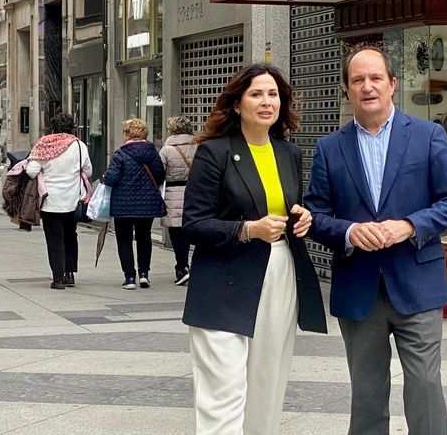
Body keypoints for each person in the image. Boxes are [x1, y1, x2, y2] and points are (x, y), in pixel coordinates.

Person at [305, 45, 447, 435]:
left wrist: (410, 226)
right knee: (366, 393)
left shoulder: (427, 136)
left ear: (393, 84)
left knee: (426, 388)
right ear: (347, 89)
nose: (367, 86)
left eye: (376, 78)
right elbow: (315, 216)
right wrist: (348, 231)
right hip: (359, 288)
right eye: (358, 80)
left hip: (418, 283)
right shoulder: (330, 148)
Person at [182, 63, 327, 434]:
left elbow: (286, 207)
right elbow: (194, 224)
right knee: (223, 391)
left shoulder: (288, 153)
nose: (267, 102)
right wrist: (249, 229)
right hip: (222, 283)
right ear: (237, 104)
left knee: (267, 383)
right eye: (256, 94)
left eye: (273, 94)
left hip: (280, 272)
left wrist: (301, 218)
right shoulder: (213, 152)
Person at [25, 113, 92, 289]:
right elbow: (88, 170)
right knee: (70, 235)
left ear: (52, 127)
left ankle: (58, 278)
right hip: (73, 200)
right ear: (72, 127)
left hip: (50, 201)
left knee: (54, 239)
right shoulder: (79, 145)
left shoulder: (44, 144)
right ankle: (70, 273)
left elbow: (31, 171)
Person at [103, 118, 166, 290]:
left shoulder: (120, 154)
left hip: (123, 204)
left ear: (128, 134)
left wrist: (105, 178)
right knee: (144, 238)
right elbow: (160, 176)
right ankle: (144, 274)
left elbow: (111, 178)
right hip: (147, 205)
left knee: (124, 240)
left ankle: (130, 277)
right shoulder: (153, 152)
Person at [159, 115, 197, 285]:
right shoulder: (199, 146)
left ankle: (182, 267)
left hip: (173, 192)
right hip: (194, 192)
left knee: (176, 234)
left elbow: (159, 172)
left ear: (172, 130)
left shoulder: (166, 150)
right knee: (194, 230)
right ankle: (195, 266)